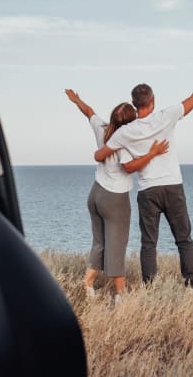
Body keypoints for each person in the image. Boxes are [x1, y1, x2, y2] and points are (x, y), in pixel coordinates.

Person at [93, 61, 193, 288]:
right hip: (173, 186)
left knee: (149, 244)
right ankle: (191, 286)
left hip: (148, 191)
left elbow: (99, 155)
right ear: (153, 101)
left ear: (135, 104)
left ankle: (149, 288)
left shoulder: (125, 132)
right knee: (184, 240)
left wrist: (114, 142)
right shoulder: (167, 115)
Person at [65, 89, 169, 301]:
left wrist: (77, 100)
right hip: (115, 199)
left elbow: (89, 112)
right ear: (130, 123)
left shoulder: (102, 129)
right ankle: (120, 295)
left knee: (99, 242)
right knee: (117, 247)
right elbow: (129, 167)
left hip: (95, 194)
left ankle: (87, 284)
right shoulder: (124, 144)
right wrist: (152, 153)